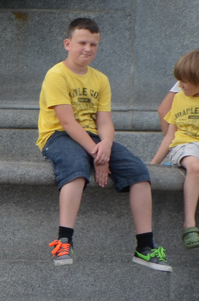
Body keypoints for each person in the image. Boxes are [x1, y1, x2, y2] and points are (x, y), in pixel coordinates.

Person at [35, 18, 169, 271]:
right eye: (82, 42)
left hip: (95, 140)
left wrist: (105, 145)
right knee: (76, 170)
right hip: (57, 136)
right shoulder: (56, 75)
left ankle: (145, 246)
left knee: (139, 173)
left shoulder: (100, 79)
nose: (88, 48)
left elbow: (105, 121)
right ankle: (64, 239)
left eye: (93, 44)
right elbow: (67, 122)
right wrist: (98, 155)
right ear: (67, 43)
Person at [151, 49, 199, 250]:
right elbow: (171, 135)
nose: (179, 85)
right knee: (194, 166)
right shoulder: (179, 98)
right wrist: (153, 165)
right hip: (184, 145)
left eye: (184, 81)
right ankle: (189, 223)